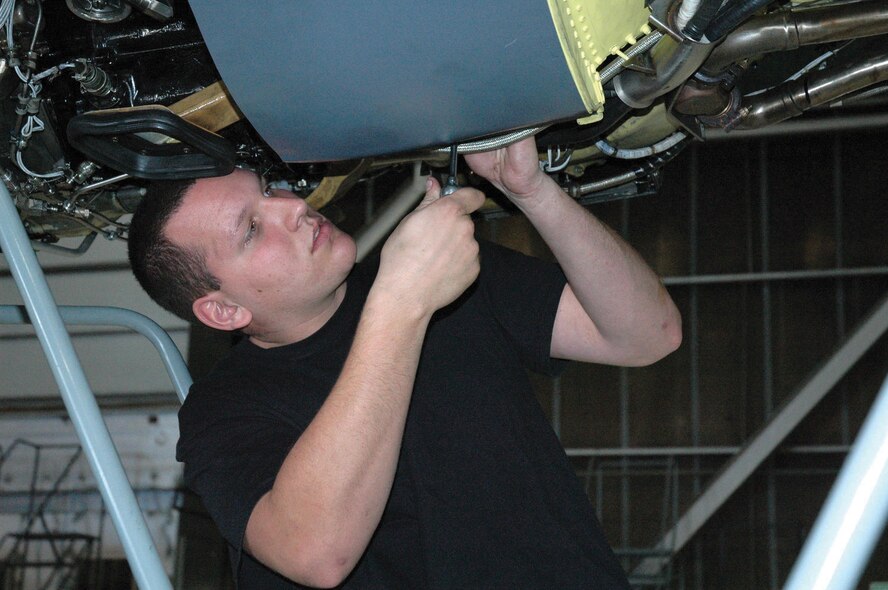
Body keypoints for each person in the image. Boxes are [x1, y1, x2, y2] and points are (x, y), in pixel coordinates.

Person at [128, 136, 682, 589]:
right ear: (223, 310)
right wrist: (403, 302)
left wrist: (533, 191)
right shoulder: (221, 411)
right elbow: (317, 552)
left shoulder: (444, 277)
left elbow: (647, 335)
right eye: (252, 229)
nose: (294, 207)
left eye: (270, 191)